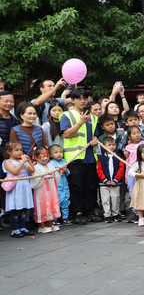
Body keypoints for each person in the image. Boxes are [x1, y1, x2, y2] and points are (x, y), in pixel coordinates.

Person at [60, 89, 100, 224]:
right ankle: (77, 212)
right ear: (73, 100)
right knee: (76, 186)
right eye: (79, 98)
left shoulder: (93, 117)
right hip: (74, 157)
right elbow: (66, 134)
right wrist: (80, 122)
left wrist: (95, 139)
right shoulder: (67, 115)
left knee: (91, 186)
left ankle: (89, 211)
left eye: (85, 98)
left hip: (90, 157)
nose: (83, 101)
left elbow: (95, 134)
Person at [3, 142, 34, 237]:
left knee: (24, 209)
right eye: (17, 150)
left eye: (21, 150)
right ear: (9, 151)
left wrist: (29, 161)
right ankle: (15, 229)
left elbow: (32, 170)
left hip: (24, 186)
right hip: (16, 188)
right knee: (15, 209)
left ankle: (22, 227)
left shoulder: (23, 161)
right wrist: (22, 162)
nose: (20, 152)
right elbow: (15, 171)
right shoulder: (7, 162)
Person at [30, 146, 61, 233]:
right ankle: (42, 226)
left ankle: (50, 224)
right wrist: (43, 175)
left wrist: (58, 171)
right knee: (42, 205)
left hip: (51, 189)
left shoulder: (51, 166)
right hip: (41, 190)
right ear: (36, 157)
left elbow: (57, 179)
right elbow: (34, 181)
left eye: (47, 156)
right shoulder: (36, 168)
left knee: (51, 204)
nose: (45, 158)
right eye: (42, 156)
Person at [96, 137, 125, 223]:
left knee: (115, 198)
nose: (112, 147)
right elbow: (99, 170)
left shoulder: (119, 157)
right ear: (104, 146)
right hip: (104, 184)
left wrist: (116, 180)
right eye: (109, 145)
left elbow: (121, 169)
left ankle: (116, 213)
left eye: (113, 145)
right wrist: (104, 180)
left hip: (115, 183)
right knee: (105, 200)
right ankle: (107, 214)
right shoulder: (101, 158)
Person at [48, 145, 70, 225]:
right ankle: (54, 218)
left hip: (65, 185)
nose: (59, 154)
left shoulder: (63, 161)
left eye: (60, 152)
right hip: (57, 186)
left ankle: (65, 217)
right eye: (56, 152)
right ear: (50, 155)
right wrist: (57, 168)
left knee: (66, 201)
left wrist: (66, 170)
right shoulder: (50, 164)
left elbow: (68, 174)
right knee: (56, 202)